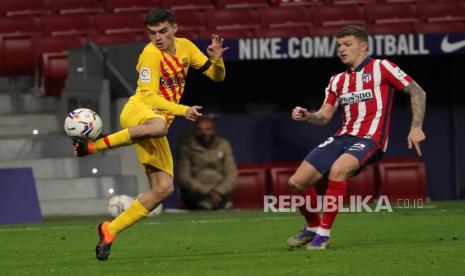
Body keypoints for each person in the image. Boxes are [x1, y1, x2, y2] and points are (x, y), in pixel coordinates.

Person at [73, 8, 228, 260]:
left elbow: (216, 76)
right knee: (159, 126)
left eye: (163, 31)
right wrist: (182, 109)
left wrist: (217, 60)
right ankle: (90, 147)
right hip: (139, 112)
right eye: (152, 33)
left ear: (175, 28)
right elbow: (149, 97)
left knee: (163, 189)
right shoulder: (150, 54)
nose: (157, 37)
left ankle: (109, 230)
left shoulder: (186, 47)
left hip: (158, 122)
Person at [286, 25, 426, 250]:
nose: (341, 49)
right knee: (296, 183)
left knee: (338, 171)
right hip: (342, 137)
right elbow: (324, 117)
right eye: (339, 45)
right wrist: (307, 116)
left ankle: (324, 234)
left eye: (347, 44)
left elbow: (418, 91)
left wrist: (416, 126)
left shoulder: (382, 67)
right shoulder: (336, 80)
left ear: (364, 47)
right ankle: (312, 227)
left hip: (371, 138)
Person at [177, 117, 238, 210]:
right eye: (200, 130)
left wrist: (217, 191)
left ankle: (220, 204)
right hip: (197, 193)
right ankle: (207, 204)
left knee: (223, 202)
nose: (204, 133)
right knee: (200, 203)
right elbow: (184, 177)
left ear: (213, 130)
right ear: (194, 131)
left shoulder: (223, 145)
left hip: (220, 191)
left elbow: (232, 174)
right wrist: (207, 191)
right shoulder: (187, 147)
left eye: (208, 129)